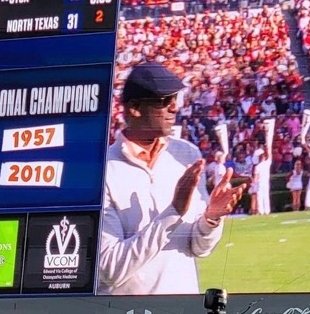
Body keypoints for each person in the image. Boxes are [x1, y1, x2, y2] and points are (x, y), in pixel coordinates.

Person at [98, 62, 246, 295]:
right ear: (134, 108)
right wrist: (173, 212)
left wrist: (211, 219)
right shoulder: (102, 171)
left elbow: (199, 248)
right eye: (163, 101)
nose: (174, 108)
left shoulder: (185, 154)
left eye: (174, 99)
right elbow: (110, 269)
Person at [251, 147, 272, 215]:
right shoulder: (267, 163)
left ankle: (261, 211)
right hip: (265, 183)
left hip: (260, 183)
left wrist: (253, 184)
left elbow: (256, 178)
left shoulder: (258, 167)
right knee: (265, 196)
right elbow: (270, 155)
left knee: (260, 196)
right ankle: (267, 210)